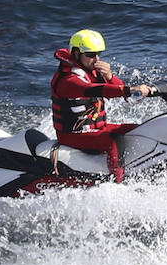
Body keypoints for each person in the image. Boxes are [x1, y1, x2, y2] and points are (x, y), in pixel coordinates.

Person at [51, 29, 153, 182]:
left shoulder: (91, 71)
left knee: (139, 130)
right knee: (113, 140)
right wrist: (128, 90)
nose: (96, 59)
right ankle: (118, 183)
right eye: (91, 55)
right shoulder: (67, 80)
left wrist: (110, 76)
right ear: (77, 54)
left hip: (97, 128)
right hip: (72, 136)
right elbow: (97, 90)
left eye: (98, 54)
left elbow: (116, 86)